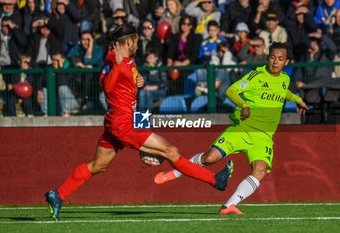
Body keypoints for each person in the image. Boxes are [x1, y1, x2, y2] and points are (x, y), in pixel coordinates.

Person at [44, 24, 233, 221]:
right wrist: (117, 66)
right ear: (128, 42)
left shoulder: (128, 59)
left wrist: (137, 80)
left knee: (99, 165)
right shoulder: (113, 60)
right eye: (136, 41)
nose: (138, 44)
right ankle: (216, 180)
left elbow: (125, 86)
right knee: (171, 151)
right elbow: (107, 89)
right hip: (122, 123)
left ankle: (58, 195)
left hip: (120, 121)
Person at [154, 41, 309, 215]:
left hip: (263, 137)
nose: (275, 62)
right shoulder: (256, 76)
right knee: (210, 158)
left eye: (280, 59)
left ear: (286, 62)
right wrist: (244, 104)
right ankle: (176, 172)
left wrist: (297, 99)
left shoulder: (285, 79)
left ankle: (229, 206)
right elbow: (231, 91)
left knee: (260, 170)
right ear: (268, 57)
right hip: (242, 130)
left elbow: (283, 91)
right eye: (272, 57)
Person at [67, 30, 103, 113]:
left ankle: (87, 101)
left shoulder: (98, 49)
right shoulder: (77, 48)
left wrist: (90, 48)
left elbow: (87, 61)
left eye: (88, 40)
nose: (85, 42)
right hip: (78, 81)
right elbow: (69, 59)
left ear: (92, 40)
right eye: (83, 39)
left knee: (88, 74)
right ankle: (80, 101)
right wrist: (81, 65)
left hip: (96, 83)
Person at [166, 15, 202, 94]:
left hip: (189, 65)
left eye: (188, 24)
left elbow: (194, 55)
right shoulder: (175, 37)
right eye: (183, 23)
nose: (185, 26)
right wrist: (169, 62)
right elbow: (170, 53)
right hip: (176, 64)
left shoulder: (196, 38)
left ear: (191, 26)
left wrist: (182, 64)